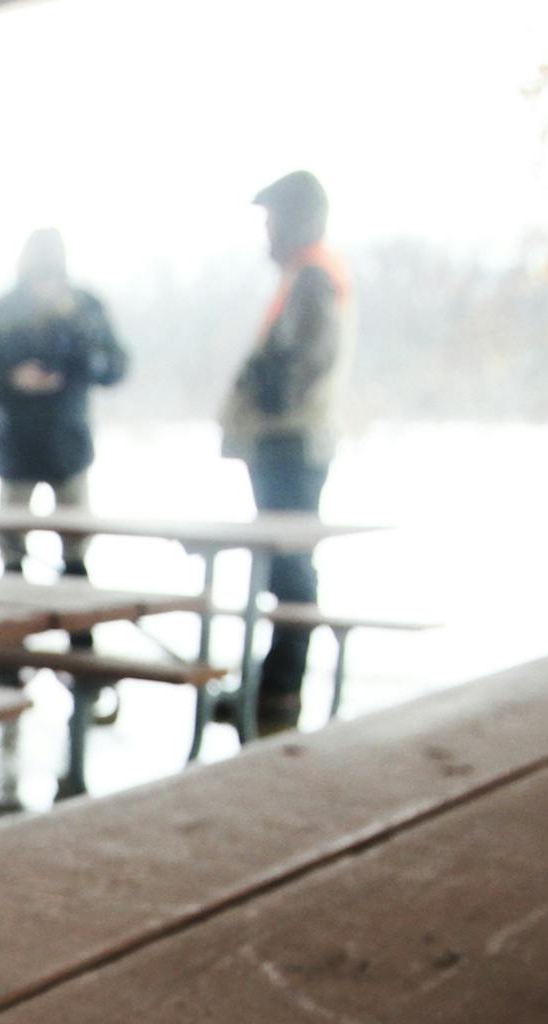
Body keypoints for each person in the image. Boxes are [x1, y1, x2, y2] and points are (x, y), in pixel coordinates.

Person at [220, 169, 355, 736]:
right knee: (283, 567)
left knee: (292, 569)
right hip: (287, 442)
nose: (266, 234)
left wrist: (260, 388)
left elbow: (300, 363)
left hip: (292, 443)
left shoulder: (314, 279)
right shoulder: (305, 276)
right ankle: (272, 683)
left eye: (273, 220)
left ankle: (278, 692)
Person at [0, 227, 127, 591]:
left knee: (76, 547)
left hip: (70, 447)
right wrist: (11, 380)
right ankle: (8, 640)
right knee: (12, 548)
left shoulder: (84, 308)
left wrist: (80, 359)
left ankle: (80, 639)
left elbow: (116, 366)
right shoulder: (2, 314)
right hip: (17, 450)